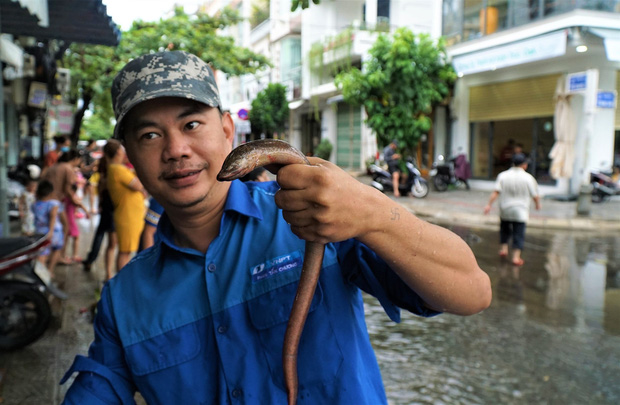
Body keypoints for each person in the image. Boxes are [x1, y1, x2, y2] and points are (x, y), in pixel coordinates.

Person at [61, 51, 491, 404]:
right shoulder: (124, 298)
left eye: (192, 124)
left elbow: (472, 293)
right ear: (130, 156)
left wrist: (375, 213)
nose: (176, 150)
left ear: (228, 130)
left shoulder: (318, 215)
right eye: (150, 135)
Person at [484, 153, 541, 266]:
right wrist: (537, 204)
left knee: (504, 230)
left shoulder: (503, 175)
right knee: (518, 233)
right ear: (524, 165)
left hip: (505, 209)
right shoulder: (528, 178)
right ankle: (516, 258)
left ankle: (503, 250)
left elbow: (496, 192)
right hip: (521, 211)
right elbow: (535, 195)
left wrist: (489, 205)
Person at [104, 140, 147, 271]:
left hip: (129, 215)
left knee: (126, 251)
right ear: (118, 152)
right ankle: (123, 284)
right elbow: (139, 185)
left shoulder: (117, 168)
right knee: (125, 252)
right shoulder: (117, 169)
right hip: (127, 216)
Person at [41, 149, 84, 265]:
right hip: (55, 203)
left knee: (50, 228)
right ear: (75, 159)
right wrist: (78, 203)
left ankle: (51, 256)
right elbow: (68, 190)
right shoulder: (68, 168)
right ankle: (59, 255)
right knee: (64, 227)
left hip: (44, 201)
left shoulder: (54, 167)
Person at [82, 151, 117, 281]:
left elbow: (100, 196)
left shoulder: (102, 177)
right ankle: (108, 273)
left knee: (100, 235)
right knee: (112, 244)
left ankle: (91, 260)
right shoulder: (112, 176)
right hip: (112, 211)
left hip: (105, 210)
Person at [32, 180, 64, 278]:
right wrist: (50, 231)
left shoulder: (35, 204)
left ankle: (41, 275)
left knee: (42, 254)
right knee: (56, 250)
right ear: (51, 192)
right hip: (54, 232)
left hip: (39, 231)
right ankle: (49, 271)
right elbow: (53, 217)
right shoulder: (54, 203)